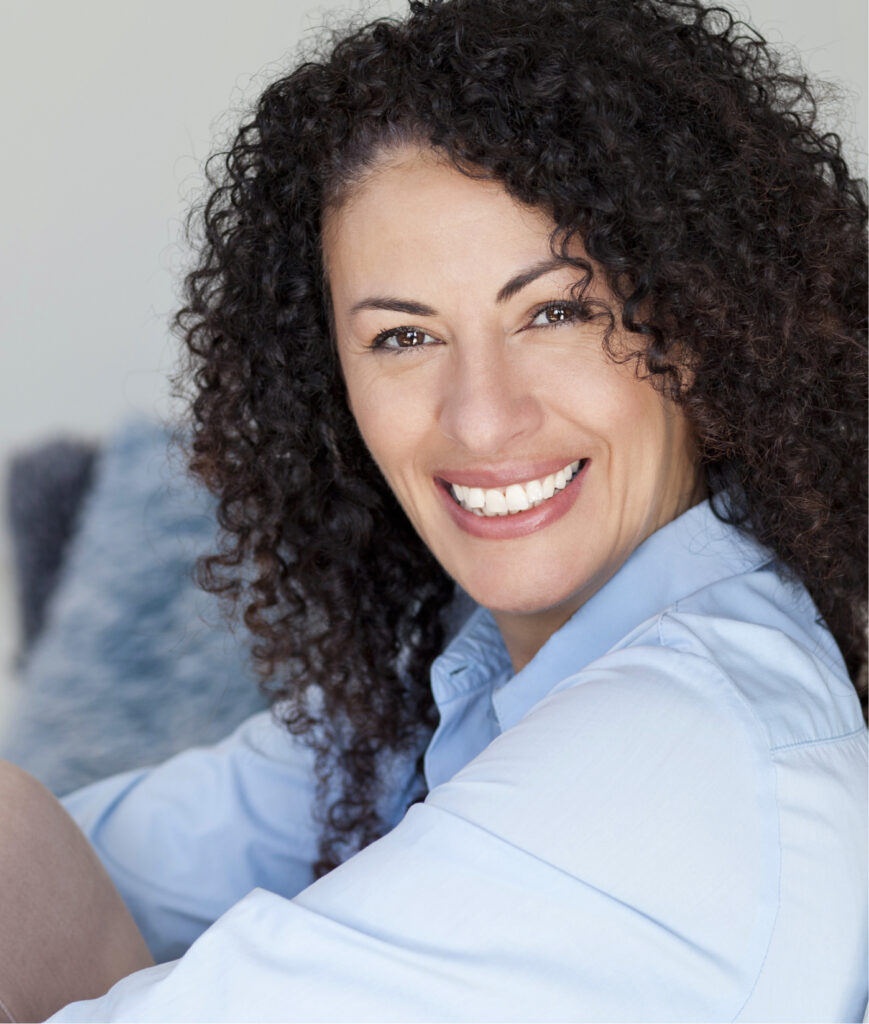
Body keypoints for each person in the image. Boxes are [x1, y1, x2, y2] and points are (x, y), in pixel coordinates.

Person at [1, 0, 865, 1019]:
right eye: (403, 338)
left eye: (555, 311)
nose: (482, 418)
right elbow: (89, 852)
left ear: (699, 328)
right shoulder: (471, 674)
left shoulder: (668, 756)